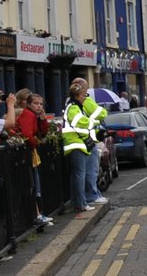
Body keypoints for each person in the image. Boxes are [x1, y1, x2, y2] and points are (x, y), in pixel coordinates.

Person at [62, 79, 106, 212]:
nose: (85, 98)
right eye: (83, 95)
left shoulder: (74, 106)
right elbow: (79, 122)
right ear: (77, 95)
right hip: (75, 144)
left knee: (78, 175)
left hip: (78, 144)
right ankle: (81, 204)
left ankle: (79, 202)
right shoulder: (73, 107)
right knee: (79, 175)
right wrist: (92, 122)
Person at [14, 89, 54, 226]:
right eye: (36, 103)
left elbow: (42, 132)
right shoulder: (28, 115)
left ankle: (38, 214)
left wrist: (43, 119)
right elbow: (26, 134)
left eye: (41, 104)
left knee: (35, 185)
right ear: (29, 104)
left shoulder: (33, 116)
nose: (39, 106)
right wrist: (36, 142)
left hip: (30, 154)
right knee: (31, 186)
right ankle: (35, 215)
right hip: (25, 154)